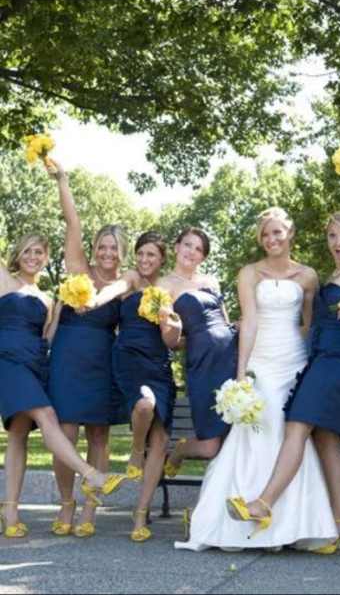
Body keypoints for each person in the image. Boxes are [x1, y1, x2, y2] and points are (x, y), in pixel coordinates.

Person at [175, 207, 337, 551]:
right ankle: (243, 517)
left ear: (290, 233)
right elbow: (248, 322)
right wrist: (241, 374)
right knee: (258, 427)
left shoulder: (308, 276)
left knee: (290, 432)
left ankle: (292, 524)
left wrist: (309, 364)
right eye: (265, 234)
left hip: (294, 361)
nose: (271, 239)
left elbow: (308, 325)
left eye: (277, 232)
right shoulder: (249, 273)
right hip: (261, 361)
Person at [225, 211, 340, 554]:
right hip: (320, 357)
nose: (338, 242)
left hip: (338, 360)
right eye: (333, 236)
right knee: (325, 440)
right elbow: (309, 323)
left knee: (296, 425)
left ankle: (263, 503)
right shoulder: (335, 273)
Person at [0, 234, 125, 537]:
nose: (33, 257)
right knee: (47, 416)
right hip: (7, 359)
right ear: (17, 255)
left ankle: (10, 509)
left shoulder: (48, 299)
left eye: (39, 252)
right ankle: (91, 474)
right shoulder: (5, 280)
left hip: (35, 362)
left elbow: (49, 336)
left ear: (46, 258)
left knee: (18, 433)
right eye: (27, 251)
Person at [46, 159, 128, 538]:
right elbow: (72, 223)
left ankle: (91, 508)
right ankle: (66, 503)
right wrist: (63, 181)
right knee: (65, 433)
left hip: (102, 361)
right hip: (67, 357)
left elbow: (122, 305)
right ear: (94, 249)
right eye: (102, 246)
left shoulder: (125, 283)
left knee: (98, 436)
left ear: (122, 252)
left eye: (114, 248)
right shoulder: (79, 269)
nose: (107, 253)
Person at [92, 231, 181, 541]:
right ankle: (135, 451)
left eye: (151, 255)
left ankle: (140, 514)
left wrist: (174, 328)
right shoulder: (130, 279)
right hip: (129, 357)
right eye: (141, 253)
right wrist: (94, 300)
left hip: (159, 364)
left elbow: (173, 341)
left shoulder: (168, 288)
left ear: (162, 259)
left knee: (161, 439)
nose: (144, 259)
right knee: (144, 404)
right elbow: (112, 289)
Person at [161, 227, 236, 478]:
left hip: (231, 357)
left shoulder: (211, 282)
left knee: (235, 436)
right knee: (210, 446)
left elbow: (225, 321)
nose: (192, 252)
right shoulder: (164, 285)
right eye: (188, 245)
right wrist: (193, 338)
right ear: (176, 247)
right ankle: (180, 450)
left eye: (199, 249)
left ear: (203, 257)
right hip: (203, 364)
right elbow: (171, 341)